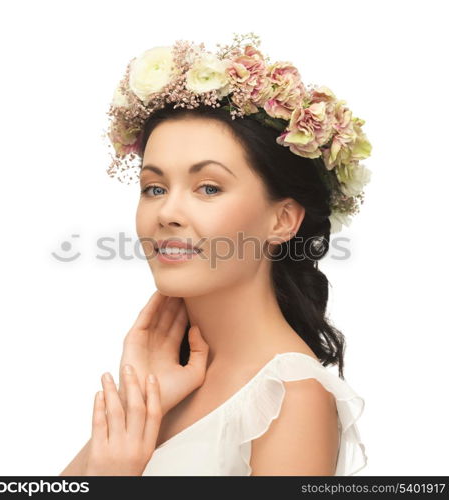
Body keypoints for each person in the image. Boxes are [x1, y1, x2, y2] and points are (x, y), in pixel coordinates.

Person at [60, 32, 371, 476]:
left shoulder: (293, 397)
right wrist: (137, 404)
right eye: (154, 188)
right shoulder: (162, 383)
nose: (167, 212)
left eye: (208, 187)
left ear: (282, 220)